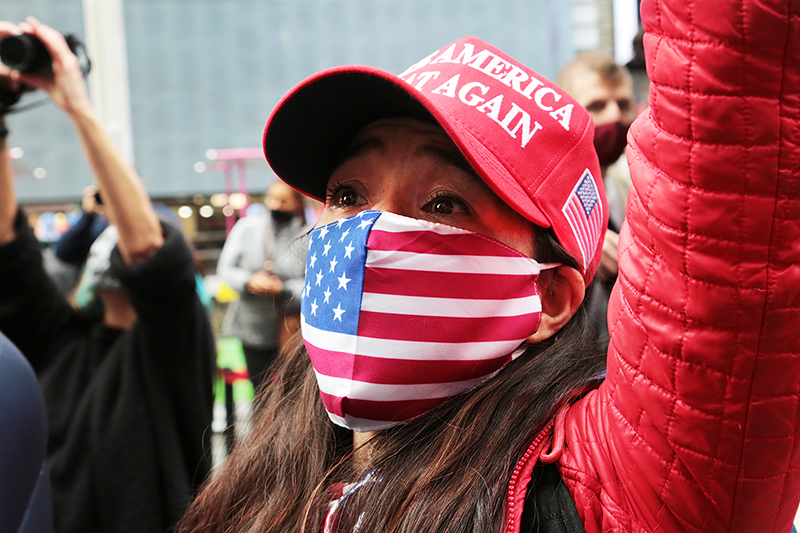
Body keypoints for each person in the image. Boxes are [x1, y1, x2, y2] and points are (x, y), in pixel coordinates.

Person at [176, 0, 800, 531]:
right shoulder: (277, 466)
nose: (369, 233)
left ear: (549, 297)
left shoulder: (607, 490)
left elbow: (733, 141)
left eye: (443, 203)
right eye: (348, 196)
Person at [0, 17, 215, 533]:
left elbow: (148, 250)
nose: (116, 248)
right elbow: (7, 242)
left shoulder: (172, 350)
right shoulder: (63, 342)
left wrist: (76, 104)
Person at [556, 53, 637, 347]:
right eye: (597, 105)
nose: (615, 116)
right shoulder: (543, 192)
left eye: (624, 104)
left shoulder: (632, 186)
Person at [217, 180, 308, 390]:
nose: (276, 205)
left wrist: (283, 290)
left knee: (292, 393)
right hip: (252, 330)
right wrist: (249, 282)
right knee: (258, 393)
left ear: (296, 203)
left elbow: (316, 287)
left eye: (283, 200)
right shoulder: (246, 229)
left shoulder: (307, 236)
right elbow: (225, 270)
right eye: (272, 198)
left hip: (291, 330)